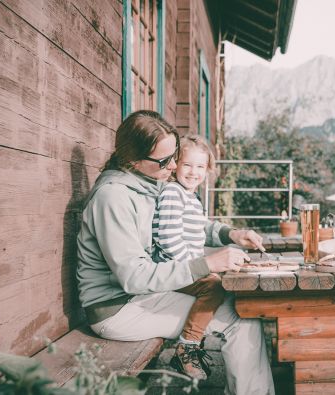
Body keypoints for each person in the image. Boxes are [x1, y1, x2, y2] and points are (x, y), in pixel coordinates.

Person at [76, 110, 274, 394]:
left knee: (238, 306)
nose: (173, 166)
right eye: (165, 161)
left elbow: (187, 220)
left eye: (174, 156)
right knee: (240, 318)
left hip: (140, 296)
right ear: (133, 159)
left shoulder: (148, 183)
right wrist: (205, 264)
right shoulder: (113, 198)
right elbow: (134, 277)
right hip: (119, 309)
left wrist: (231, 234)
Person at [153, 135, 223, 380]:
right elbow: (169, 240)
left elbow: (198, 234)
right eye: (188, 165)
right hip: (172, 269)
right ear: (176, 165)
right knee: (214, 286)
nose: (194, 172)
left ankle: (194, 344)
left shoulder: (191, 197)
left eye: (200, 166)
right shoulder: (173, 192)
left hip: (185, 268)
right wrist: (199, 269)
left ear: (208, 169)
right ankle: (187, 346)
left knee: (220, 281)